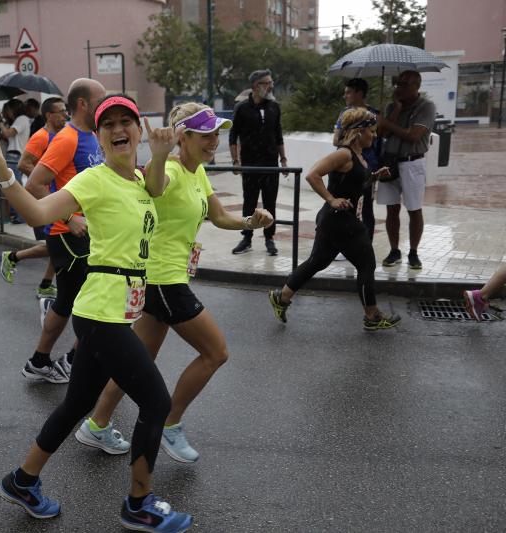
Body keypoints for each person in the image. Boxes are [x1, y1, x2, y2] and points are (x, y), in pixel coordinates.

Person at [0, 94, 193, 532]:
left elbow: (155, 188)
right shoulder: (93, 180)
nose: (117, 129)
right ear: (97, 135)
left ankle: (22, 480)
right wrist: (3, 174)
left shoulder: (137, 180)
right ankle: (139, 503)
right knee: (156, 401)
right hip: (100, 314)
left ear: (138, 128)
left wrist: (163, 153)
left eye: (125, 120)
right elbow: (36, 209)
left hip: (116, 308)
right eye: (106, 123)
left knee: (76, 403)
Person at [79, 103, 274, 461]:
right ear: (182, 137)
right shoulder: (167, 168)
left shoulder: (196, 171)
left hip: (161, 279)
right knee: (216, 353)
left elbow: (217, 216)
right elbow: (153, 186)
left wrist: (250, 222)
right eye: (207, 134)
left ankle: (96, 424)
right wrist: (158, 155)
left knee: (138, 360)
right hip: (162, 280)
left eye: (217, 133)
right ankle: (170, 423)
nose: (215, 140)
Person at [268, 108, 401, 331]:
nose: (375, 135)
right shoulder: (344, 153)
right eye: (371, 131)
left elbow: (354, 184)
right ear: (358, 132)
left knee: (318, 261)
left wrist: (375, 177)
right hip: (340, 220)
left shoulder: (359, 155)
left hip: (335, 220)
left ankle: (281, 298)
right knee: (367, 263)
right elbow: (313, 174)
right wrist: (331, 199)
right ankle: (372, 317)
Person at [20, 78, 106, 383]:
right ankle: (69, 360)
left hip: (86, 233)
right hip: (66, 234)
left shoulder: (93, 135)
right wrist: (70, 217)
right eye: (100, 100)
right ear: (82, 104)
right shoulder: (66, 139)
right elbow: (34, 184)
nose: (104, 105)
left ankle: (40, 361)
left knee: (72, 300)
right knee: (93, 301)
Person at [0, 97, 69, 300]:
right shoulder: (41, 137)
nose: (65, 115)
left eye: (66, 111)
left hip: (58, 197)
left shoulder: (63, 136)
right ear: (49, 115)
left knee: (60, 243)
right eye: (61, 111)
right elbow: (23, 164)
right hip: (44, 197)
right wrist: (47, 178)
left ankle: (45, 284)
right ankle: (13, 257)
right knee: (58, 243)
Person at [376, 70, 436, 270]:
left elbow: (413, 136)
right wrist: (395, 111)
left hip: (412, 163)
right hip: (389, 162)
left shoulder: (426, 107)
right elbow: (381, 133)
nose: (398, 87)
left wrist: (387, 124)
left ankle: (413, 252)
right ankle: (394, 250)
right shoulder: (393, 106)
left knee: (414, 209)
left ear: (416, 86)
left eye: (404, 84)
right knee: (391, 209)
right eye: (398, 83)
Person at [229, 69, 288, 256]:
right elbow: (233, 136)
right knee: (250, 202)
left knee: (270, 203)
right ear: (256, 86)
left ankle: (269, 238)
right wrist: (235, 161)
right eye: (266, 83)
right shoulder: (242, 108)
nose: (270, 86)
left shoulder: (274, 107)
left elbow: (278, 135)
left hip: (271, 165)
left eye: (271, 82)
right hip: (250, 165)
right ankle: (247, 238)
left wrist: (284, 159)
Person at [333, 78, 379, 242]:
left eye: (348, 92)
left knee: (366, 207)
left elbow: (376, 141)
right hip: (348, 169)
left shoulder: (373, 114)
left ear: (359, 93)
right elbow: (336, 140)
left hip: (367, 168)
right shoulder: (345, 115)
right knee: (345, 206)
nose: (345, 95)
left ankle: (366, 244)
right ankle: (345, 243)